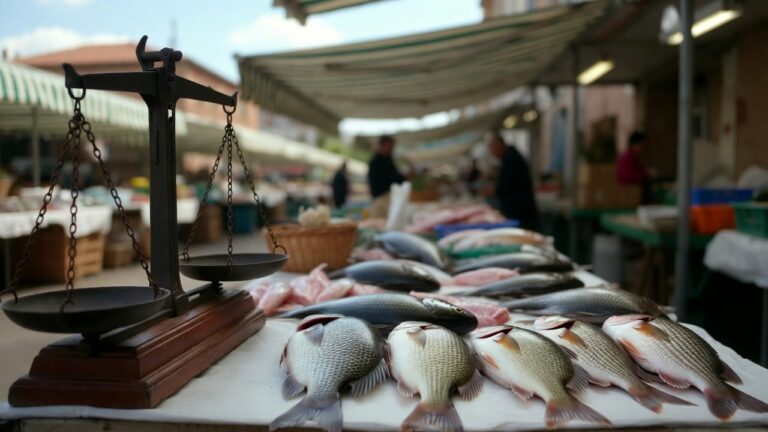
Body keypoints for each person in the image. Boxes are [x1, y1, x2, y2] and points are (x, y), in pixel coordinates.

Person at [489, 132, 540, 231]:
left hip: (521, 212)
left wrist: (495, 190)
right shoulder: (509, 157)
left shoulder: (512, 159)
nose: (492, 153)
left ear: (499, 146)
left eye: (492, 149)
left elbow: (508, 184)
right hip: (519, 210)